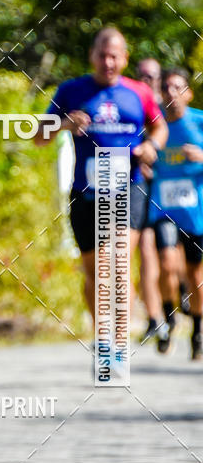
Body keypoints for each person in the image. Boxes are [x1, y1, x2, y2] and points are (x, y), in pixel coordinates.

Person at [35, 27, 168, 357]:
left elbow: (159, 126)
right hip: (86, 192)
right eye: (102, 55)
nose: (108, 62)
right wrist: (63, 124)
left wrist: (151, 145)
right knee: (94, 272)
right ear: (92, 55)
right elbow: (38, 136)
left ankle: (119, 343)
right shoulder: (71, 91)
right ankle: (103, 339)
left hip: (128, 188)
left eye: (115, 56)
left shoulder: (139, 93)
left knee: (119, 263)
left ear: (124, 58)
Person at [149, 68, 203, 360]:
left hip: (195, 212)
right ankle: (169, 318)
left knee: (196, 276)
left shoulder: (199, 122)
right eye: (166, 87)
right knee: (166, 264)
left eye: (178, 87)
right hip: (163, 209)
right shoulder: (154, 122)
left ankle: (197, 331)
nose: (171, 92)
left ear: (188, 93)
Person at [135, 58, 169, 349]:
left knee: (173, 260)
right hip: (144, 189)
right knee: (146, 252)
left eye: (152, 75)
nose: (147, 79)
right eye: (142, 75)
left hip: (172, 194)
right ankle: (155, 317)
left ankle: (175, 302)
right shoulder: (134, 102)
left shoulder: (168, 106)